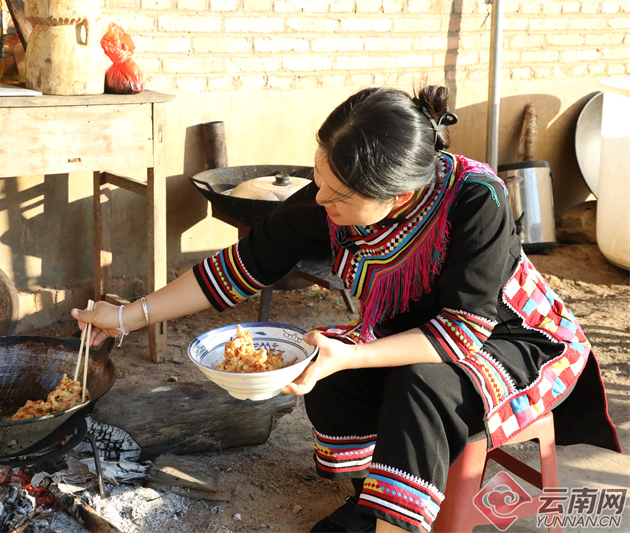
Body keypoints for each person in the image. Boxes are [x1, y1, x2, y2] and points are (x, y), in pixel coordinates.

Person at [72, 85, 620, 533]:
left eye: (337, 195)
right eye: (320, 178)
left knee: (415, 382)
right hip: (415, 333)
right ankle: (371, 502)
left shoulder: (478, 199)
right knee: (321, 361)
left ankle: (398, 524)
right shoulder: (333, 192)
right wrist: (124, 318)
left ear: (397, 198)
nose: (320, 200)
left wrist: (352, 355)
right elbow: (240, 266)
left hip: (514, 339)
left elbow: (461, 331)